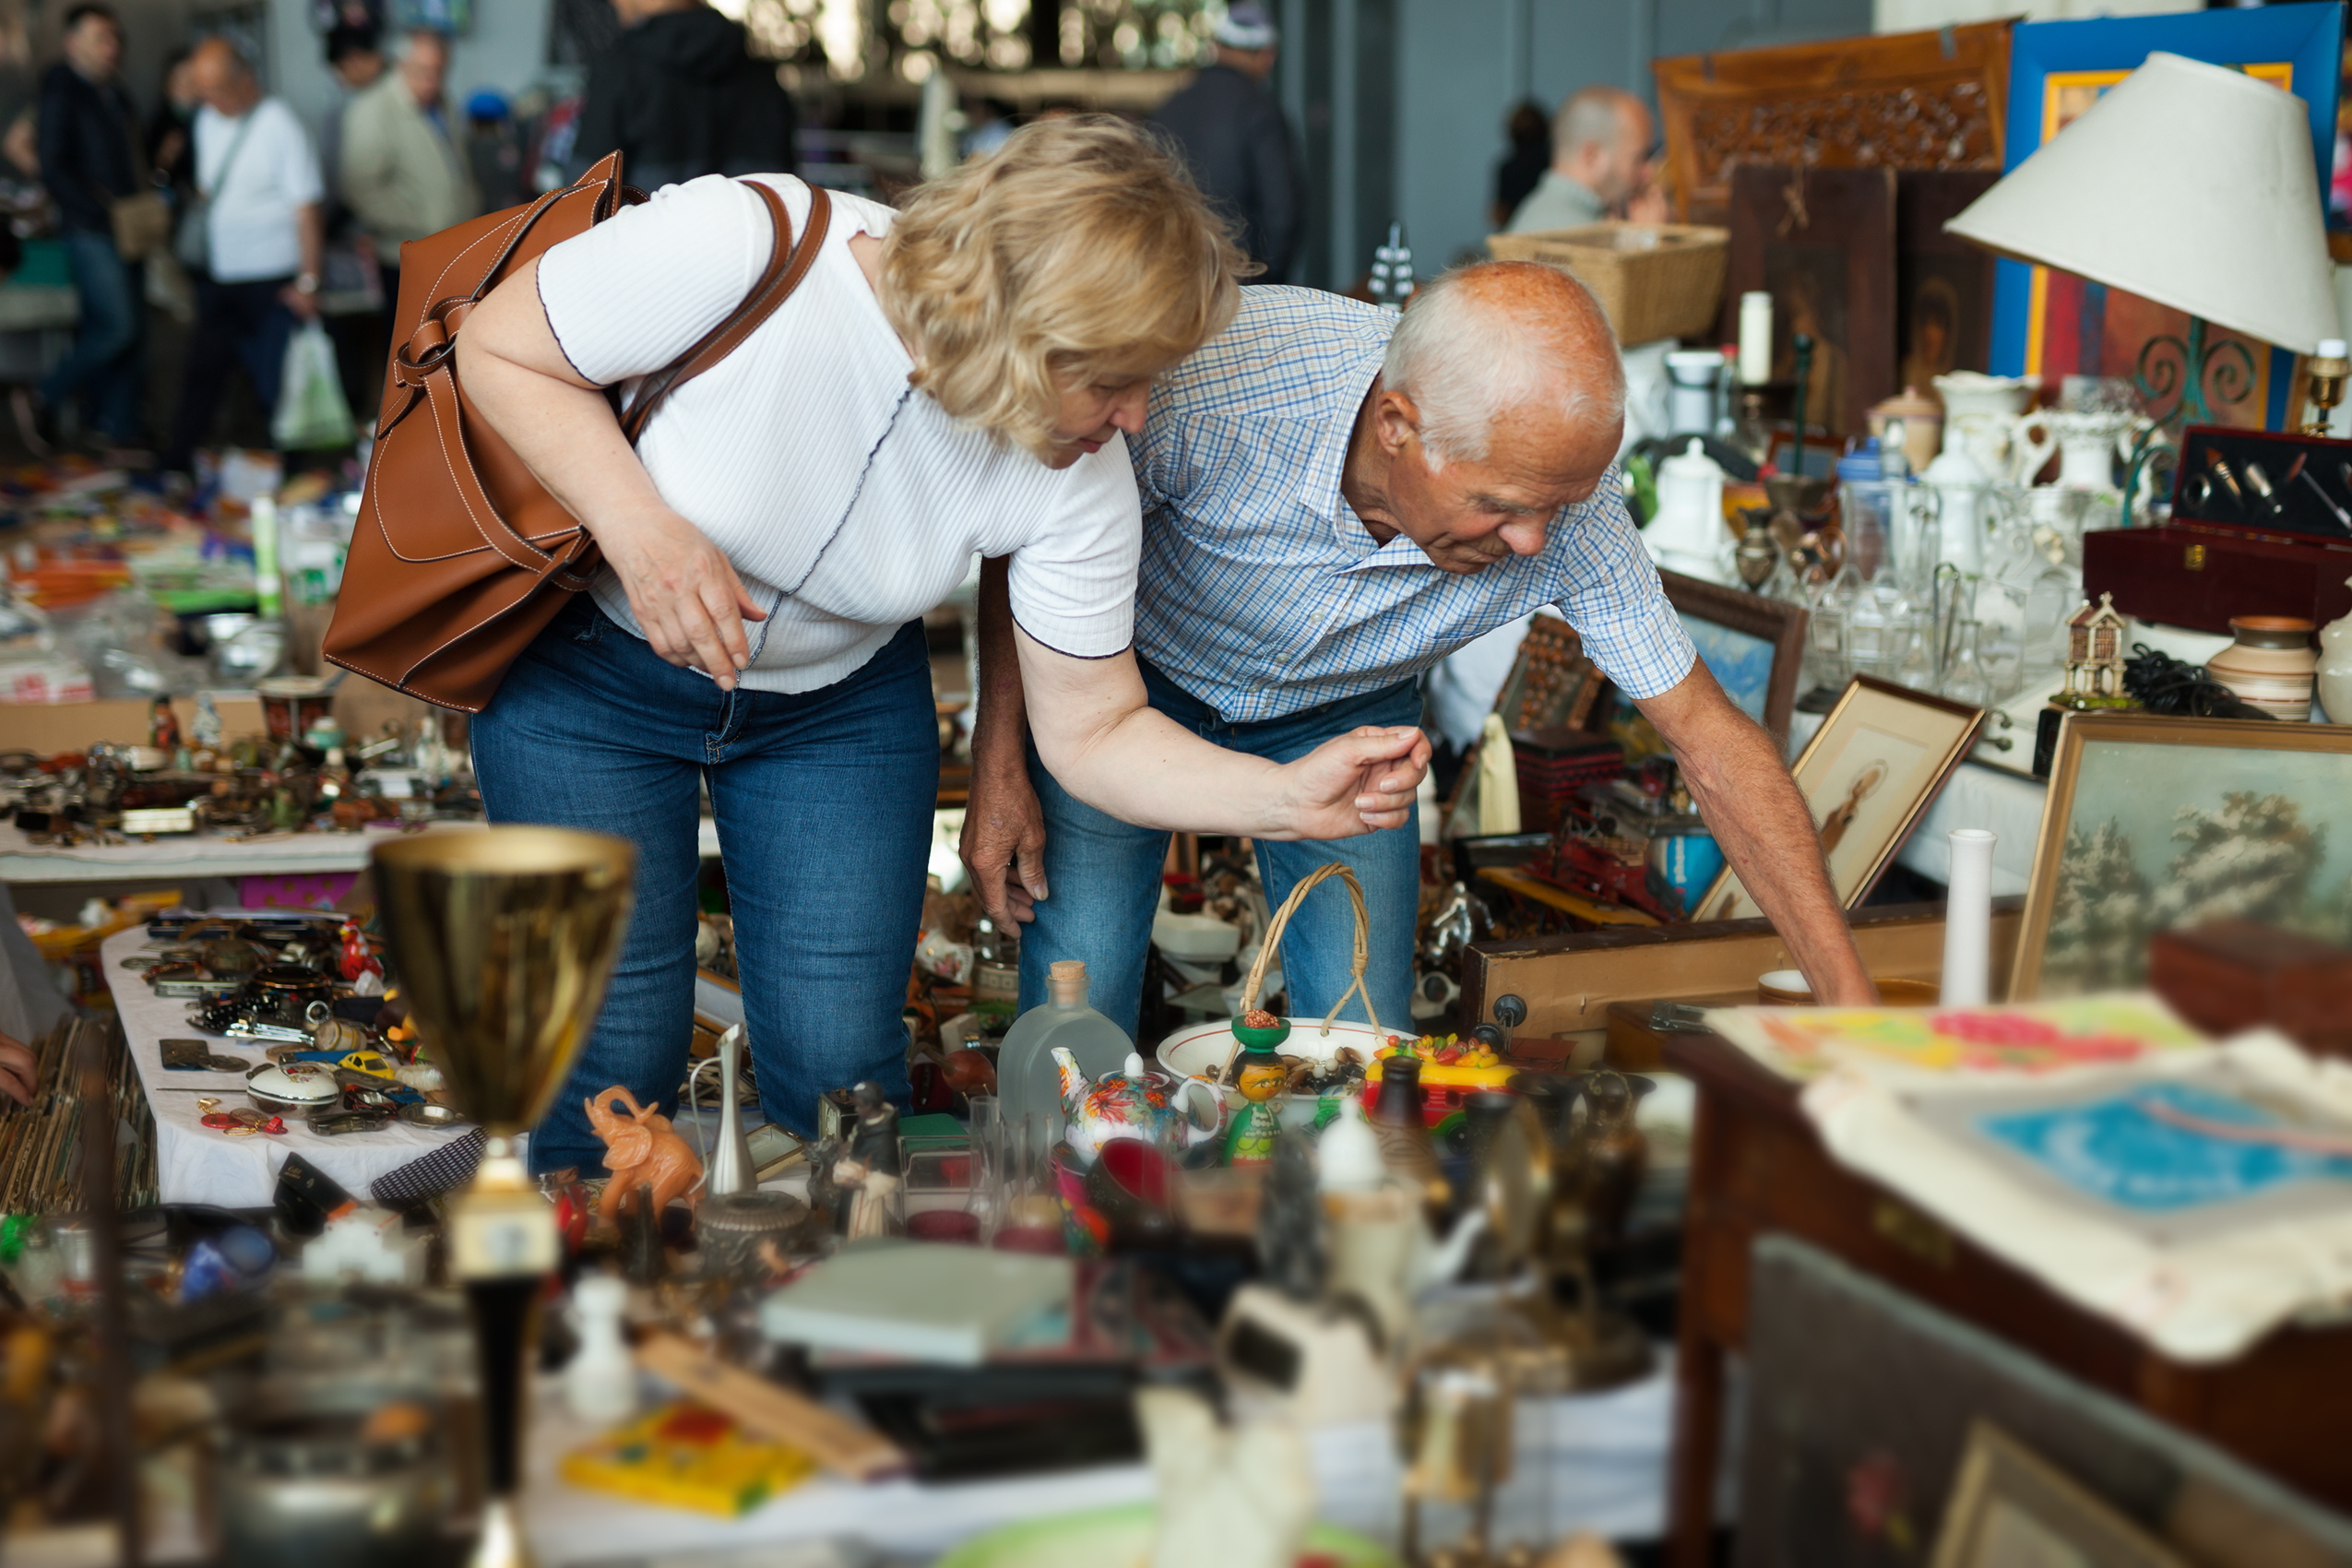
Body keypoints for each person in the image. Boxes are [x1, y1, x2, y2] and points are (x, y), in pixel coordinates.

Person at [454, 119, 1428, 1176]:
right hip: (589, 680)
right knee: (607, 1042)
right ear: (1022, 324)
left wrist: (1287, 797)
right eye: (1116, 379)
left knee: (843, 1073)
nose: (1141, 419)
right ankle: (577, 1302)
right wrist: (637, 524)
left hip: (836, 705)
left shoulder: (1079, 473)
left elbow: (1096, 729)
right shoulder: (741, 244)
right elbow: (495, 347)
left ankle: (803, 1310)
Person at [961, 264, 1876, 1039]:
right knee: (1079, 1007)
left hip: (1352, 718)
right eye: (1503, 505)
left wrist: (1852, 1009)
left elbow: (1712, 744)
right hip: (1126, 693)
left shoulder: (1568, 511)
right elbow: (1030, 526)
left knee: (1363, 1034)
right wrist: (999, 754)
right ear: (1397, 426)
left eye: (1556, 507)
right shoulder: (1213, 381)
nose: (1532, 541)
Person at [161, 39, 324, 474]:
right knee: (202, 372)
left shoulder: (281, 124)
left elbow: (306, 208)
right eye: (202, 90)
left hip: (272, 278)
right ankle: (177, 462)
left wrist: (309, 281)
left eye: (216, 90)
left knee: (278, 382)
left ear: (245, 79)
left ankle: (293, 473)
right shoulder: (207, 121)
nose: (208, 100)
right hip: (219, 275)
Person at [35, 2, 148, 450]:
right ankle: (45, 393)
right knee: (116, 327)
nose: (112, 48)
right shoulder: (62, 88)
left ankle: (117, 427)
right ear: (72, 43)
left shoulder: (114, 94)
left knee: (132, 330)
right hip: (90, 228)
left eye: (115, 38)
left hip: (129, 228)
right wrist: (99, 213)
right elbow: (53, 165)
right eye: (101, 38)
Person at [1147, 1, 1300, 283]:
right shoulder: (1260, 110)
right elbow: (1281, 214)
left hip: (1172, 289)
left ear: (1215, 47)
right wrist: (1267, 285)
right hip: (1239, 288)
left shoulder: (1168, 109)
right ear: (1267, 56)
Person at [571, 0, 795, 190]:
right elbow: (784, 188)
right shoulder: (763, 78)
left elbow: (584, 195)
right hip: (750, 238)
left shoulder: (619, 71)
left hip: (650, 238)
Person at [339, 29, 475, 315]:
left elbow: (456, 169)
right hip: (407, 255)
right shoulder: (371, 110)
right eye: (423, 71)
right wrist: (425, 221)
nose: (432, 80)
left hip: (453, 247)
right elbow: (361, 191)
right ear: (400, 65)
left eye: (440, 71)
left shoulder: (443, 102)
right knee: (410, 344)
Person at [1506, 84, 1657, 233]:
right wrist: (1646, 238)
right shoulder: (1574, 232)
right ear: (1591, 156)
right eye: (1638, 158)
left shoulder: (1540, 211)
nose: (1648, 172)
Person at [316, 24, 383, 212]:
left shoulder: (345, 114)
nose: (339, 78)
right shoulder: (342, 109)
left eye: (340, 68)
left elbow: (337, 181)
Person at [1491, 100, 1550, 232]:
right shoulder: (1553, 166)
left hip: (1515, 235)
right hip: (1548, 232)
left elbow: (1499, 215)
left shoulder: (1507, 169)